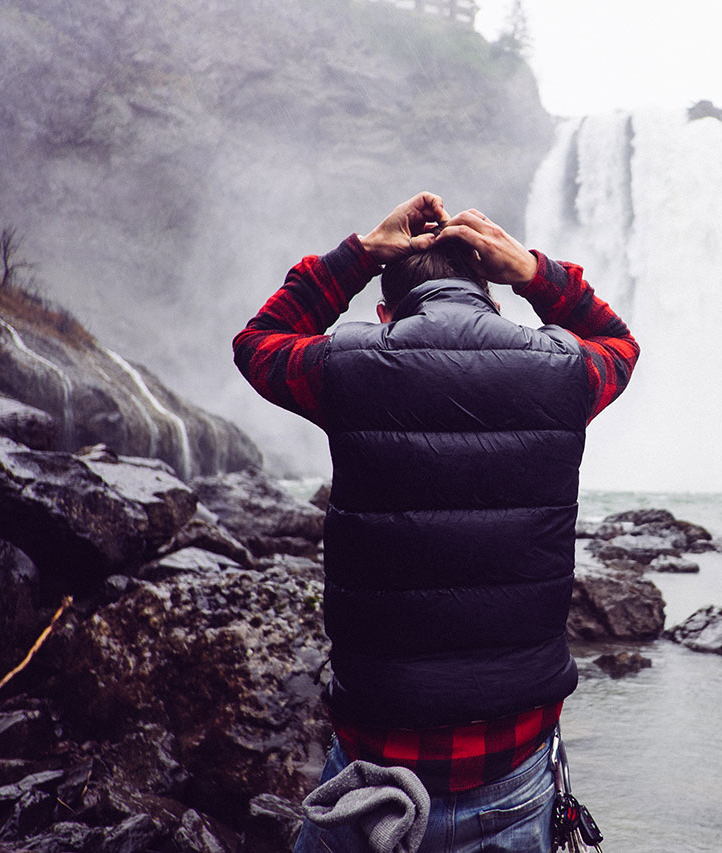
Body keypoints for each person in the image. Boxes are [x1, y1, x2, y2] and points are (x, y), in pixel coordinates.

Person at [232, 191, 639, 852]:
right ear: (494, 302)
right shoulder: (565, 370)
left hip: (373, 772)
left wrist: (359, 253)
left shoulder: (347, 366)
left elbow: (258, 343)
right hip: (512, 765)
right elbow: (618, 342)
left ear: (385, 313)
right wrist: (535, 271)